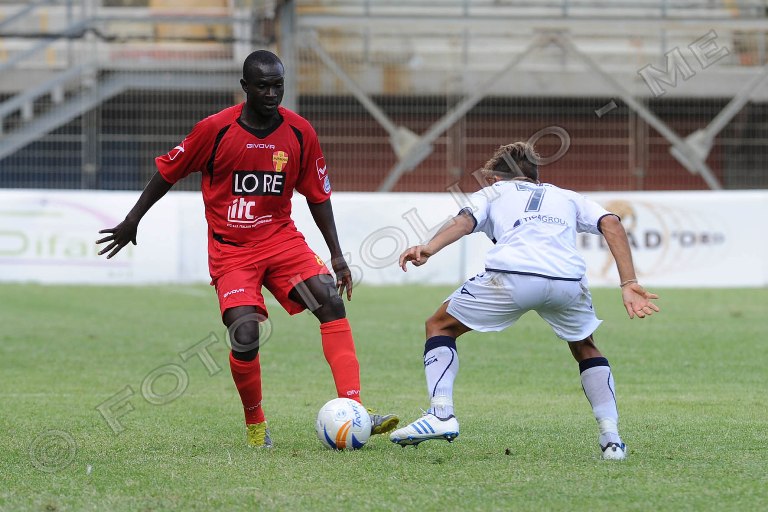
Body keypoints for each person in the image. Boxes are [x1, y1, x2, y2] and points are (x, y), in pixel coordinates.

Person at [96, 50, 398, 448]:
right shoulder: (215, 130)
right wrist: (133, 219)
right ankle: (256, 424)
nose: (272, 93)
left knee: (329, 300)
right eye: (263, 86)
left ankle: (356, 410)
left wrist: (337, 255)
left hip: (281, 242)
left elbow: (318, 196)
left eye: (278, 85)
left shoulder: (300, 132)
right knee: (245, 332)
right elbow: (168, 171)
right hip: (232, 251)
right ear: (245, 87)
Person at [388, 141, 659, 460]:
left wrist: (429, 248)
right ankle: (611, 440)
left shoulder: (491, 193)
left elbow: (462, 222)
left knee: (439, 326)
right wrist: (629, 282)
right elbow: (611, 223)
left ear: (498, 178)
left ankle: (442, 414)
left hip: (511, 276)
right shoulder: (566, 196)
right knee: (585, 346)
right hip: (566, 282)